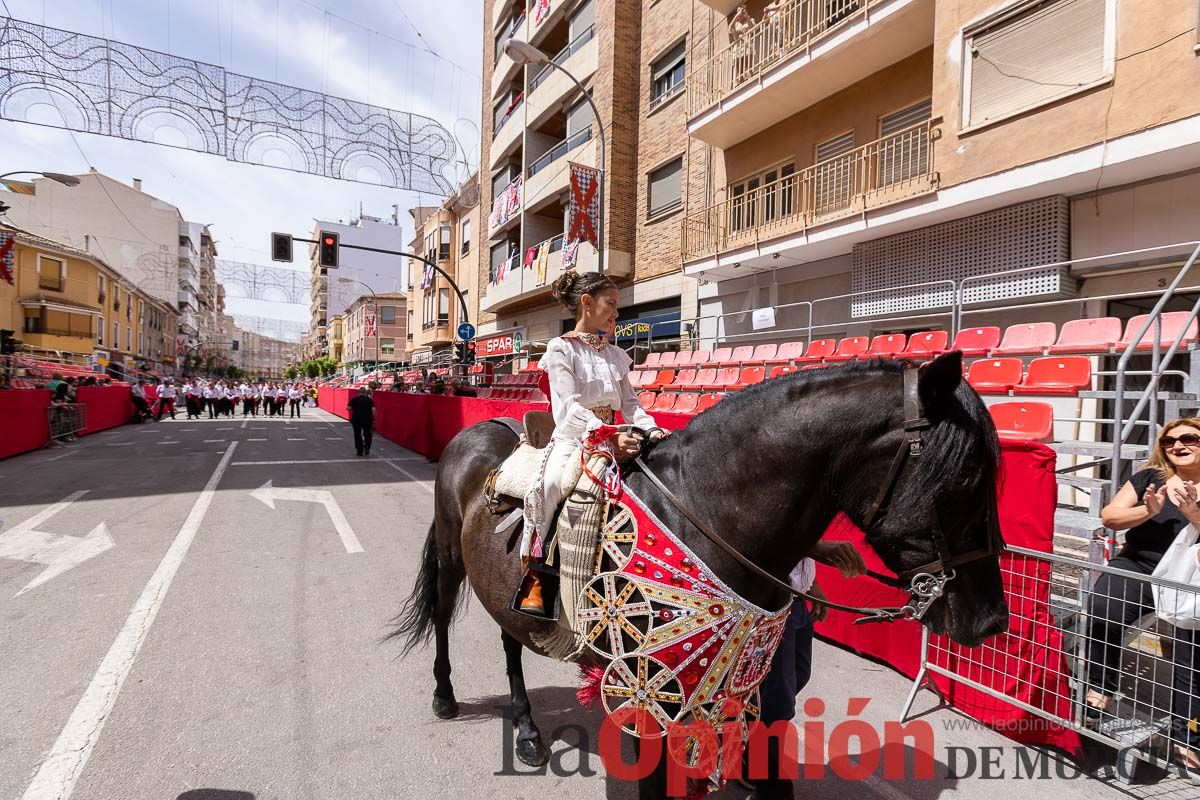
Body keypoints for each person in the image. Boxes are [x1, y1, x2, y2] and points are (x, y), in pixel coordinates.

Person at [516, 270, 670, 617]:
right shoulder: (560, 349)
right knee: (550, 486)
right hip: (575, 437)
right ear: (587, 303)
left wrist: (650, 429)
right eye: (610, 304)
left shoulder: (616, 354)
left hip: (617, 434)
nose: (616, 312)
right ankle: (533, 579)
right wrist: (606, 434)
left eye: (617, 305)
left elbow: (630, 404)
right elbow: (567, 408)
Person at [1086, 418, 1200, 777]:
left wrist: (1193, 512)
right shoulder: (1151, 477)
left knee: (1190, 647)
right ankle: (1099, 685)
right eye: (1169, 441)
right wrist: (1147, 512)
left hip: (1189, 576)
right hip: (1140, 565)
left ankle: (1187, 736)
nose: (1177, 445)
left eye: (1189, 438)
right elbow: (1110, 516)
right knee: (1104, 604)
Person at [743, 540, 867, 797]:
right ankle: (767, 782)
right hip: (772, 603)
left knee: (798, 676)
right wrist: (815, 547)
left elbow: (801, 554)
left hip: (798, 602)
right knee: (776, 704)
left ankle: (743, 741)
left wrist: (813, 586)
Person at [347, 386, 375, 456]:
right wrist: (374, 419)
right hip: (367, 419)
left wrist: (354, 407)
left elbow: (348, 408)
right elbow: (374, 410)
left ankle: (359, 450)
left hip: (356, 419)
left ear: (358, 392)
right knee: (368, 434)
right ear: (365, 392)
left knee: (357, 434)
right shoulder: (369, 400)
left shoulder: (354, 399)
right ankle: (367, 447)